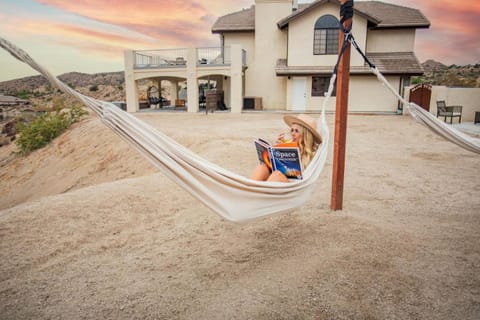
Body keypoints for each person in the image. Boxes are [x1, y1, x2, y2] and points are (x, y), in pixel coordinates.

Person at [251, 114, 322, 182]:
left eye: (296, 131)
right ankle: (253, 192)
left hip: (293, 183)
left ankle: (262, 192)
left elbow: (305, 175)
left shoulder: (312, 154)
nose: (292, 134)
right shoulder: (287, 144)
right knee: (262, 168)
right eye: (292, 130)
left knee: (277, 175)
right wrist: (276, 149)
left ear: (305, 134)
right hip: (276, 178)